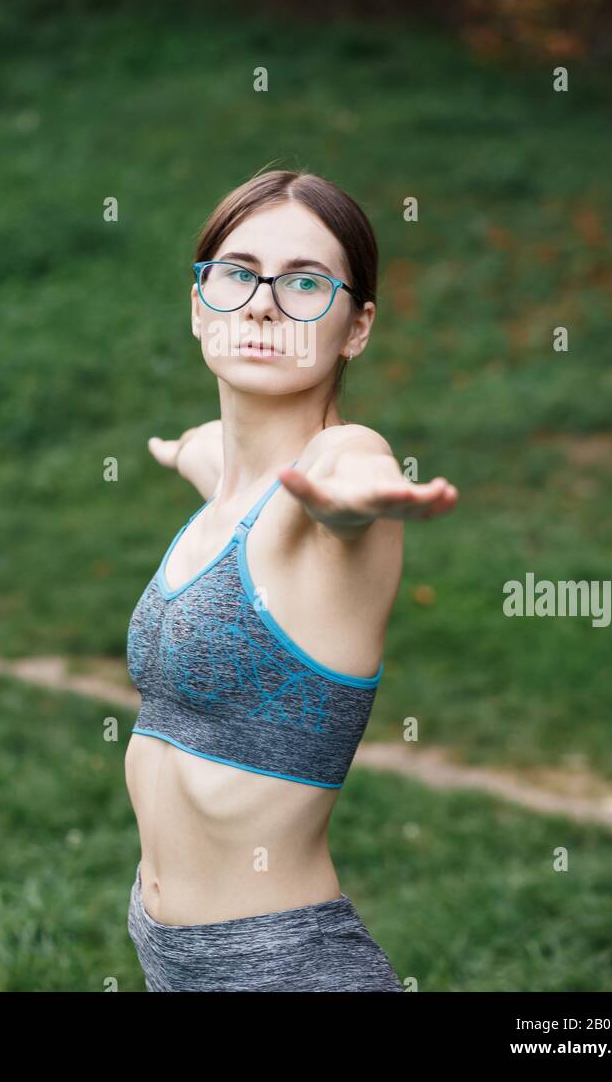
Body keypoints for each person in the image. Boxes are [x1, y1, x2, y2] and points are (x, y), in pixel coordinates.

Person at [124, 168, 458, 991]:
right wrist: (182, 452)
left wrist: (358, 501)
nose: (264, 303)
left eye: (306, 282)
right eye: (238, 274)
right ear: (201, 304)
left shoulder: (338, 476)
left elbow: (344, 477)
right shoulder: (227, 486)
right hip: (172, 960)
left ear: (356, 327)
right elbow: (211, 449)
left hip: (288, 969)